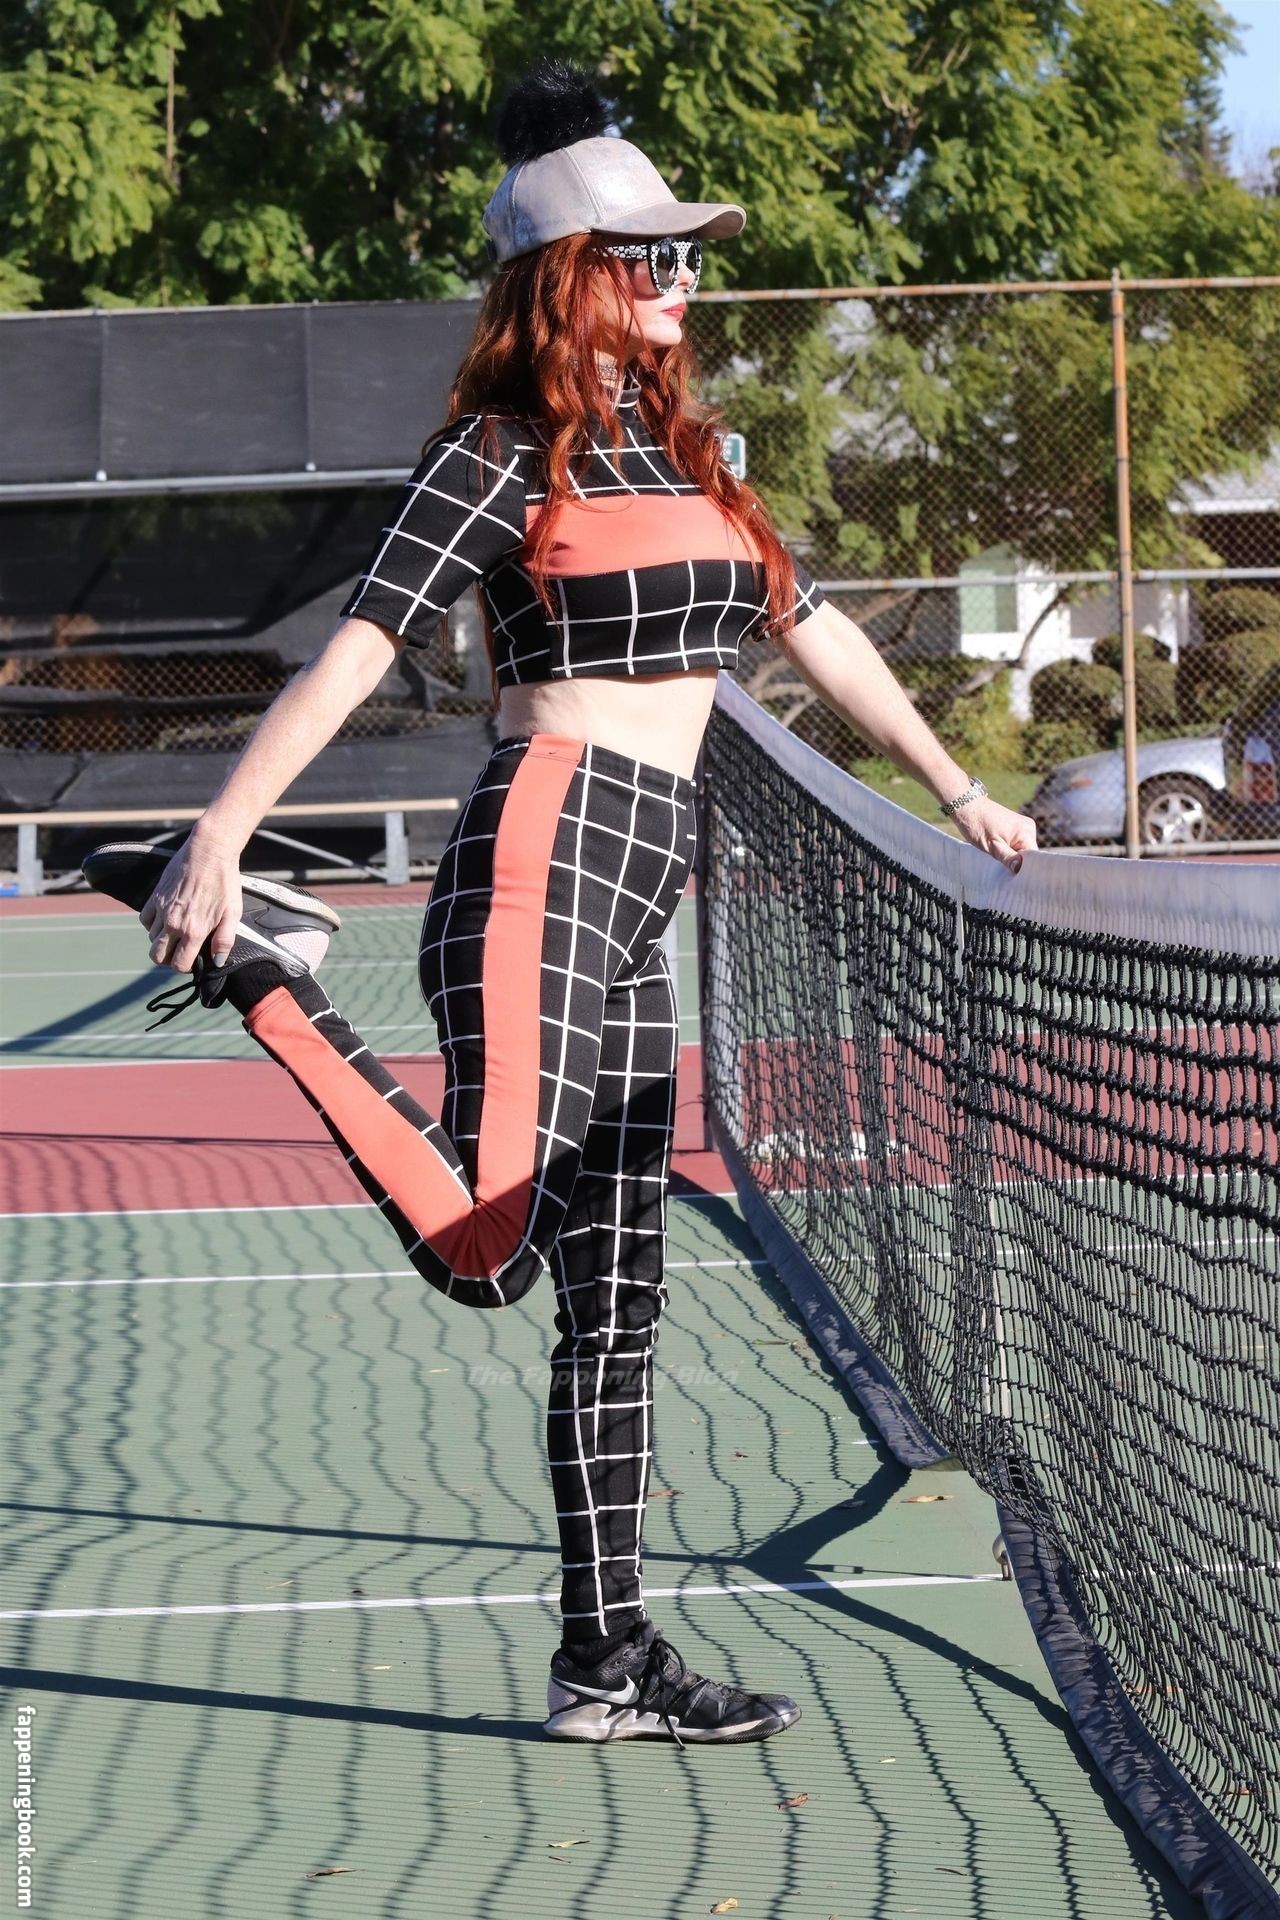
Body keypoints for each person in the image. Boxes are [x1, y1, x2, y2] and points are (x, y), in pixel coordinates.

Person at [82, 58, 1037, 1746]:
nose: (682, 282)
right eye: (650, 256)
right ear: (571, 274)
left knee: (618, 1303)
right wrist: (221, 833)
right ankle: (267, 975)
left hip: (642, 888)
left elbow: (811, 628)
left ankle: (607, 1660)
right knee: (486, 1248)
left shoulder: (696, 458)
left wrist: (955, 787)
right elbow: (360, 646)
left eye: (686, 257)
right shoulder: (494, 456)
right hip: (545, 851)